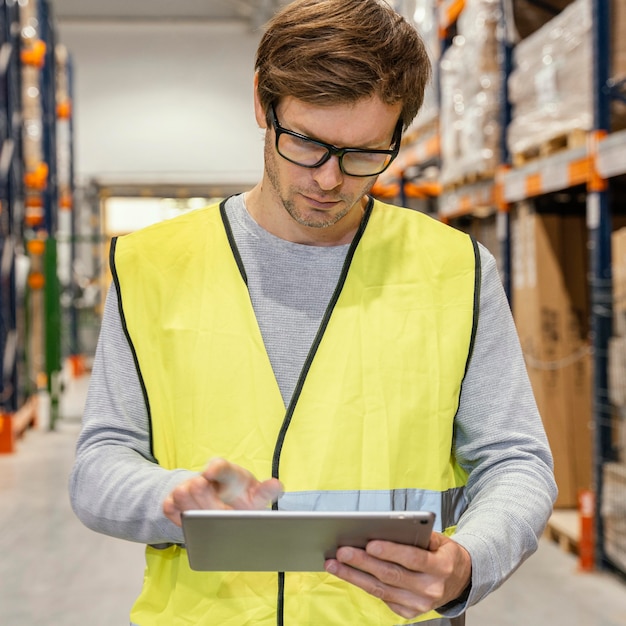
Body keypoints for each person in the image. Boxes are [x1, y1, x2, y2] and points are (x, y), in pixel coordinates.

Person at [69, 0, 557, 624]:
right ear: (260, 105)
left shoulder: (455, 269)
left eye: (363, 155)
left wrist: (467, 563)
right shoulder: (151, 265)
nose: (329, 180)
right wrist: (171, 497)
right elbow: (99, 463)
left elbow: (516, 461)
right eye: (306, 143)